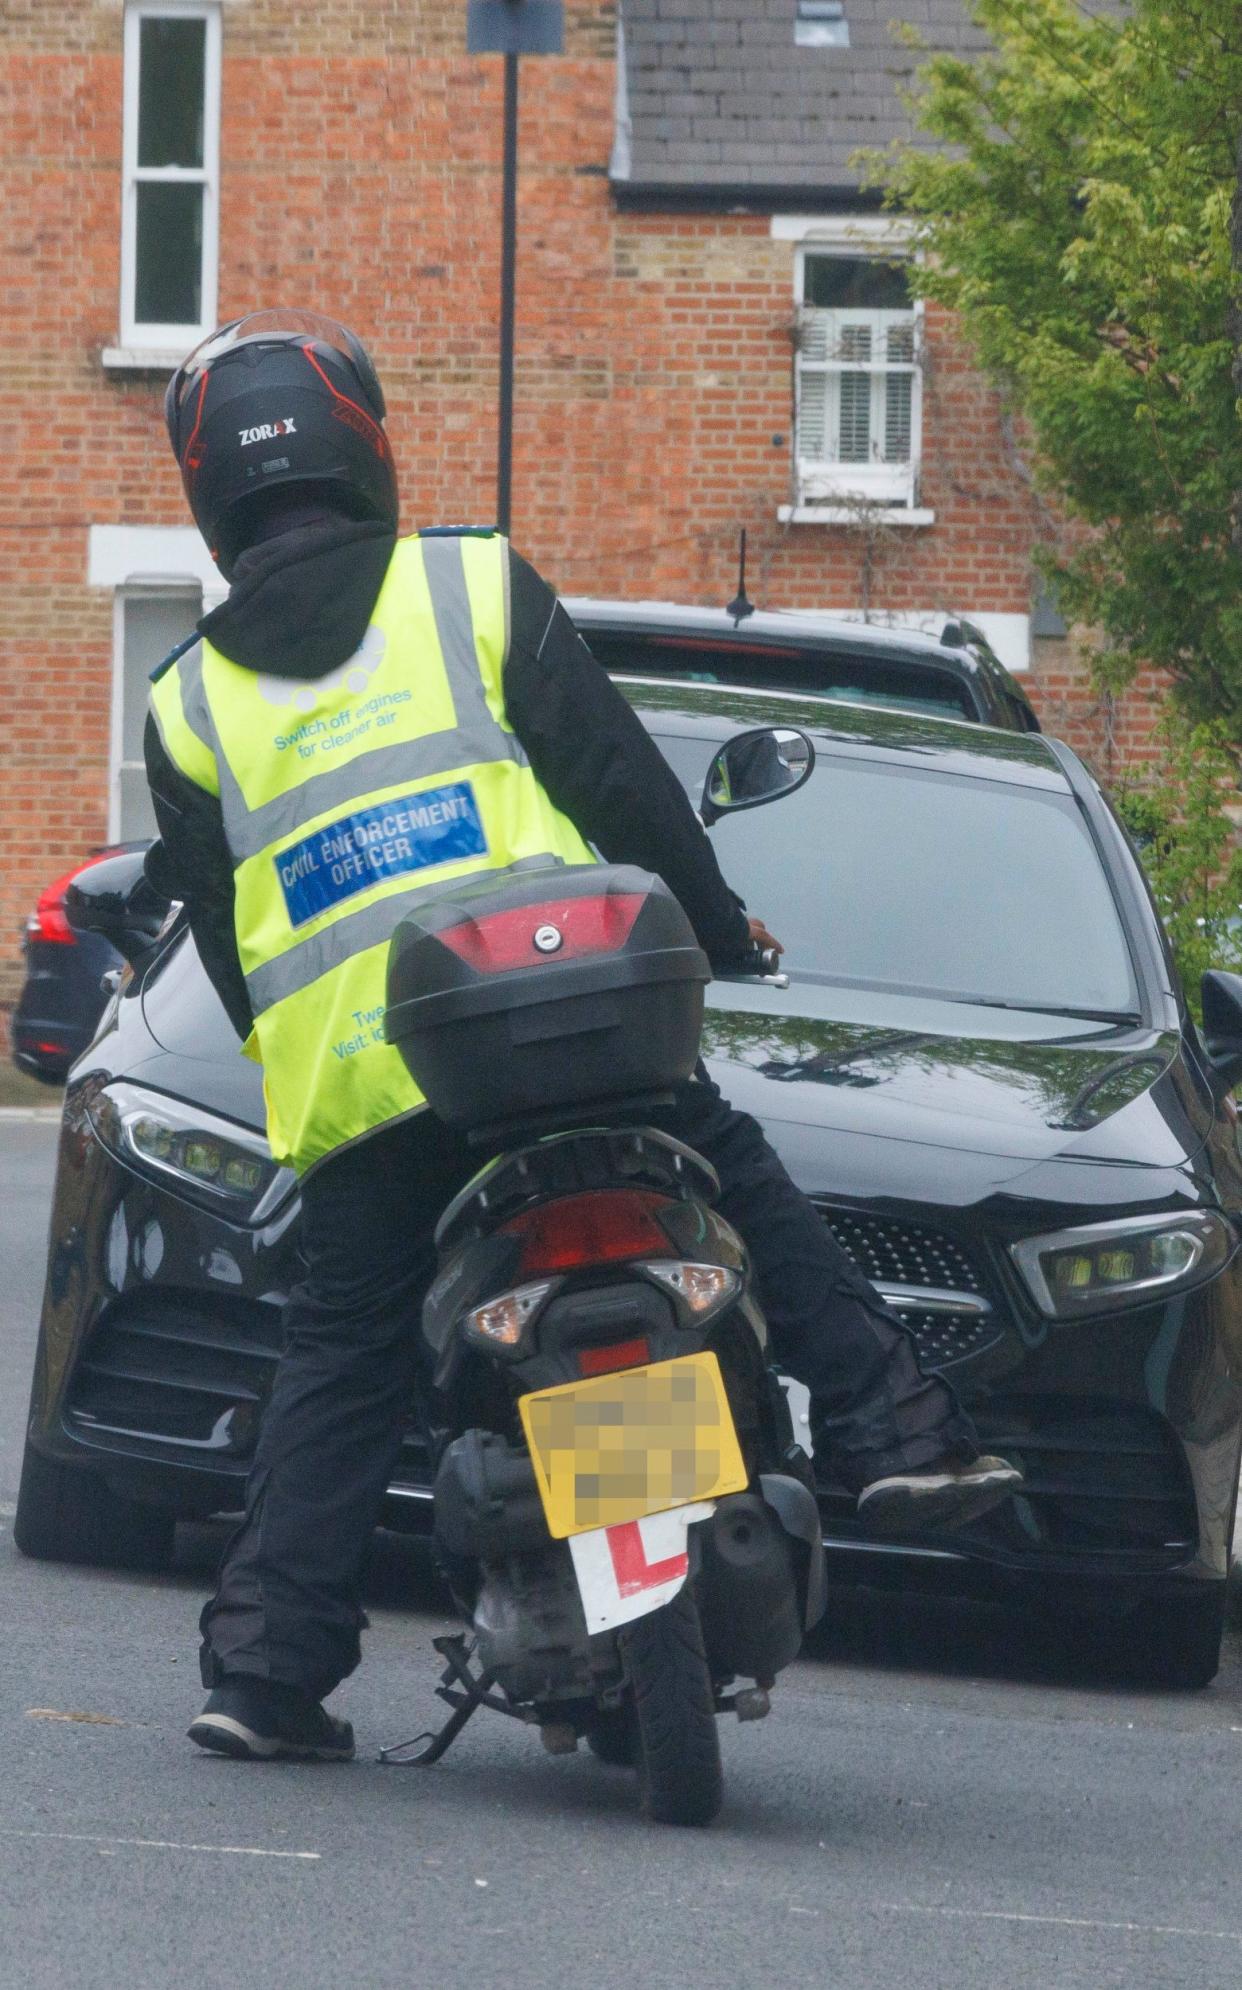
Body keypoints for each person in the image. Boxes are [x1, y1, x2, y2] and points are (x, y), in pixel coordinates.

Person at [148, 310, 1021, 1763]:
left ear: (210, 492)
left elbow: (239, 956)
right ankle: (896, 1434)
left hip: (371, 1101)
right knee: (734, 1176)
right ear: (363, 445)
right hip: (572, 1026)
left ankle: (265, 1670)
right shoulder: (466, 587)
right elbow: (617, 785)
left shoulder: (187, 702)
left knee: (346, 1360)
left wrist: (307, 1063)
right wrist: (717, 923)